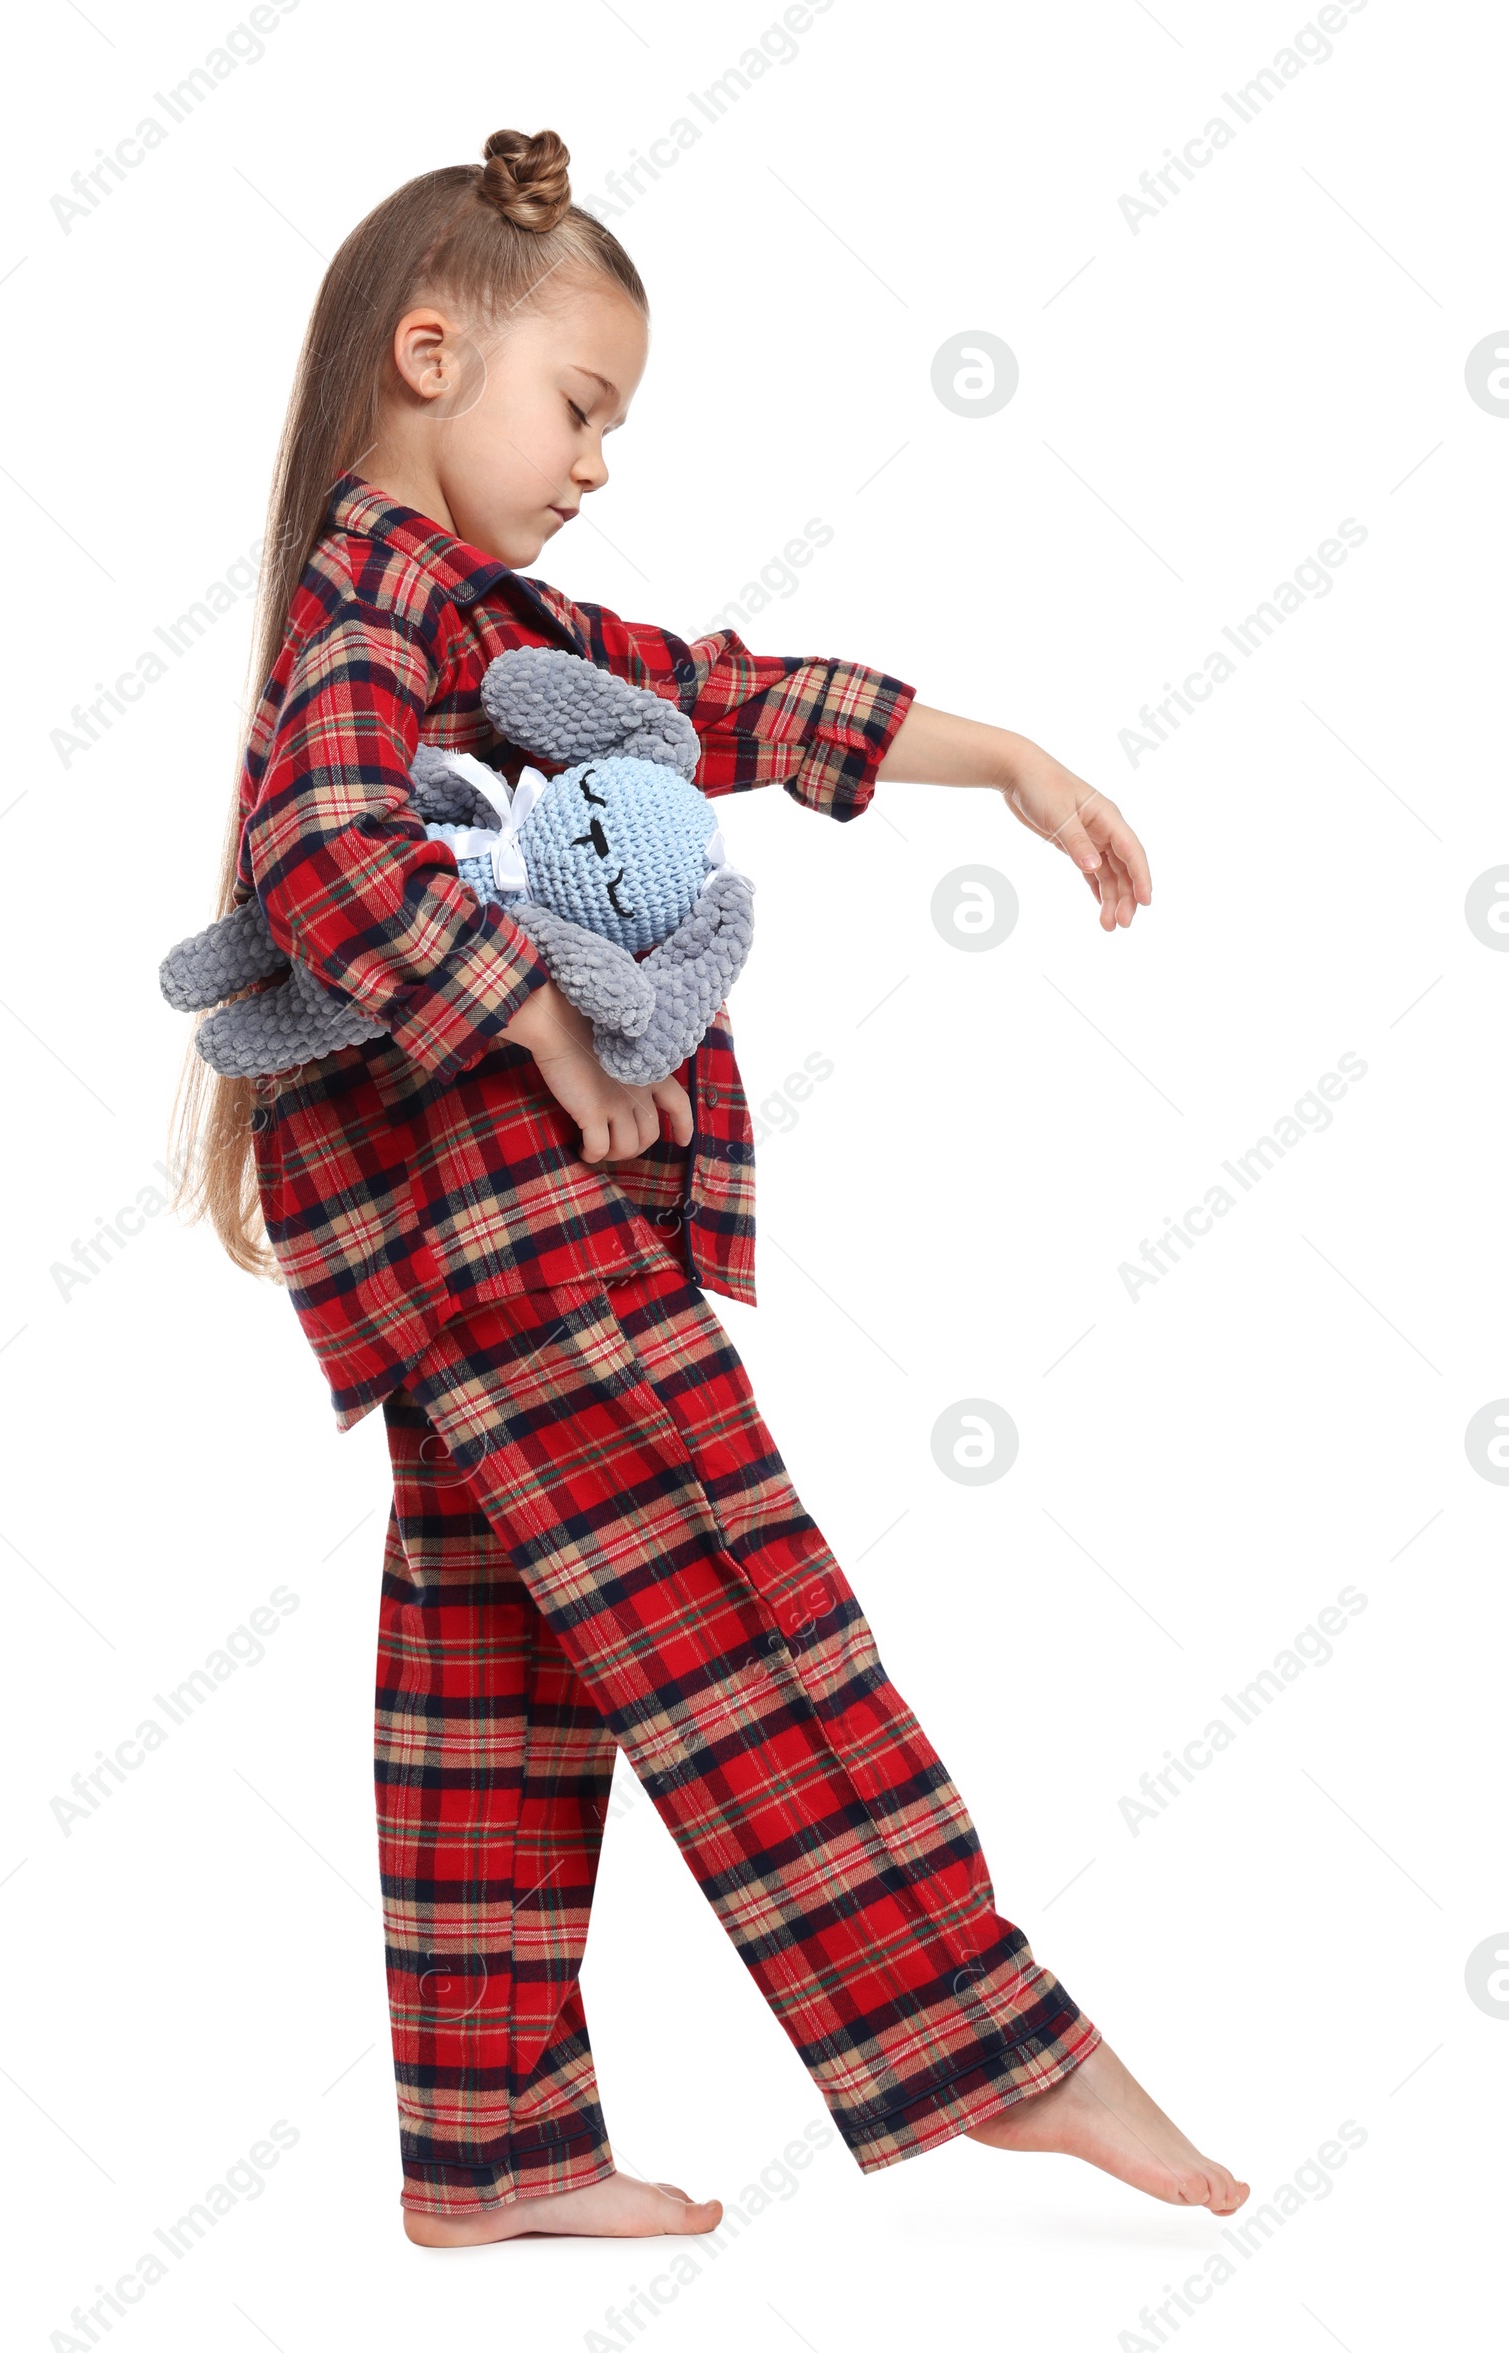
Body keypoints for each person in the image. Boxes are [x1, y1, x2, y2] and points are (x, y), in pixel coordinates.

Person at [170, 126, 1247, 2248]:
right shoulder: (378, 610)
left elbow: (721, 699)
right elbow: (320, 856)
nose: (594, 463)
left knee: (490, 1671)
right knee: (739, 1607)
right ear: (426, 353)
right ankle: (990, 2042)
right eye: (576, 409)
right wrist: (547, 1022)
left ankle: (494, 2150)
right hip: (515, 1242)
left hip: (454, 1269)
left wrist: (1003, 757)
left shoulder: (482, 618)